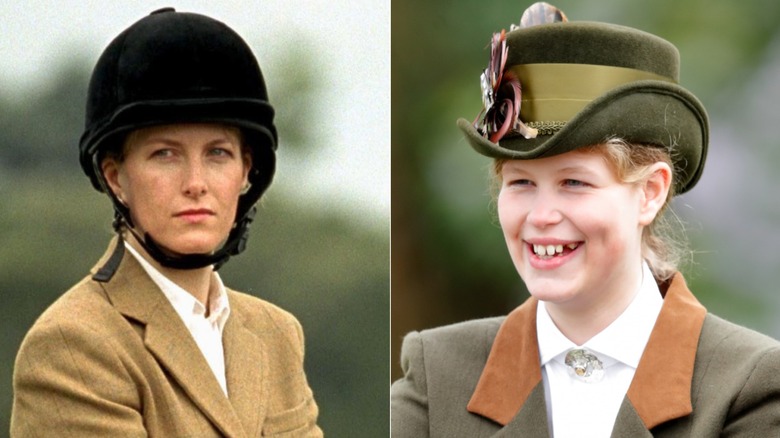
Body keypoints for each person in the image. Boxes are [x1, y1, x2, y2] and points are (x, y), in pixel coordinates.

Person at [390, 2, 780, 436]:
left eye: (574, 183)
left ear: (650, 193)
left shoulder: (746, 385)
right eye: (520, 183)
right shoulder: (436, 376)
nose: (541, 216)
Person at [11, 8, 322, 437]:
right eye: (165, 154)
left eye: (218, 153)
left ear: (246, 171)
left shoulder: (278, 334)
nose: (196, 184)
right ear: (116, 177)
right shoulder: (72, 346)